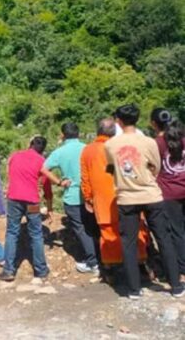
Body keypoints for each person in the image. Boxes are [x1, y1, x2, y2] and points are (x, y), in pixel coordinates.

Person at [106, 104, 184, 299]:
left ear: (119, 121)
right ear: (138, 119)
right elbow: (156, 167)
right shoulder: (149, 141)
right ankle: (175, 286)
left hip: (126, 197)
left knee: (129, 242)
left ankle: (134, 289)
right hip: (151, 194)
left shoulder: (110, 145)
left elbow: (111, 168)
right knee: (164, 238)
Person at [82, 118, 149, 274]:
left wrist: (88, 198)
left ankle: (111, 269)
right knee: (135, 230)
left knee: (108, 232)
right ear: (114, 131)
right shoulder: (121, 146)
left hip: (103, 199)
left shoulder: (88, 150)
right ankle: (141, 266)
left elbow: (85, 178)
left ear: (97, 130)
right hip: (127, 194)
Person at [40, 123, 98, 274]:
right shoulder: (87, 148)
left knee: (81, 229)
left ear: (62, 135)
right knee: (94, 227)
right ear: (79, 133)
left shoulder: (60, 152)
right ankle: (105, 259)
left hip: (72, 195)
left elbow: (44, 169)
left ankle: (92, 262)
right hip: (91, 195)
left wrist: (59, 182)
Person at [0, 137, 51, 282]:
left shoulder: (15, 156)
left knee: (12, 233)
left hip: (14, 198)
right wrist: (49, 204)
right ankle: (41, 270)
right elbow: (46, 185)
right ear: (43, 150)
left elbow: (10, 173)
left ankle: (9, 270)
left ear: (30, 144)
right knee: (36, 234)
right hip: (32, 200)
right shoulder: (42, 161)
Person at [151, 111, 185, 275]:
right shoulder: (183, 138)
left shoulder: (156, 143)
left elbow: (151, 168)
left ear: (153, 124)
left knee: (175, 231)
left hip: (169, 193)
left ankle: (181, 266)